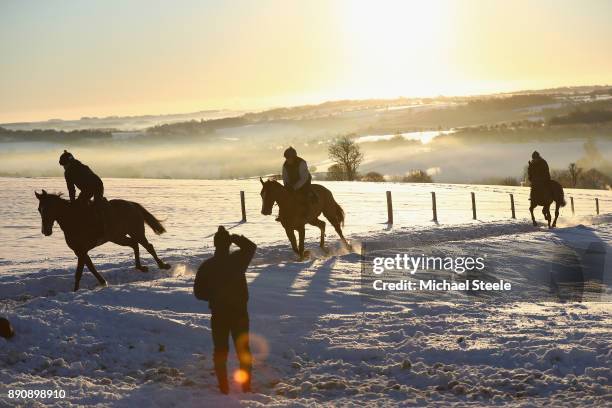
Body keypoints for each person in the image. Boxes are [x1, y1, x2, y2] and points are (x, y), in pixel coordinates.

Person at [193, 226, 256, 394]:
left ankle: (223, 387)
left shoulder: (206, 266)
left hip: (219, 315)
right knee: (243, 350)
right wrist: (235, 237)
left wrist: (214, 296)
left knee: (220, 350)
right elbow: (251, 247)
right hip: (240, 314)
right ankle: (246, 386)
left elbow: (198, 293)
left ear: (214, 244)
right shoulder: (238, 259)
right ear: (228, 244)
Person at [59, 150, 109, 234]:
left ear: (70, 163)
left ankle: (101, 228)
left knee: (97, 205)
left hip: (97, 186)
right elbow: (71, 189)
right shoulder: (68, 172)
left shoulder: (82, 168)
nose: (64, 167)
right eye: (63, 165)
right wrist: (73, 202)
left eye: (65, 165)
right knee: (79, 205)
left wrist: (77, 200)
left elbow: (90, 186)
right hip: (86, 189)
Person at [281, 147, 315, 217]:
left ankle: (307, 212)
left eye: (289, 158)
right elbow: (285, 177)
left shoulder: (301, 163)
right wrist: (287, 186)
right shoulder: (285, 165)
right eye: (286, 158)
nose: (287, 160)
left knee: (304, 195)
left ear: (294, 157)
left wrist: (295, 187)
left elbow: (304, 178)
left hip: (305, 182)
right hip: (292, 183)